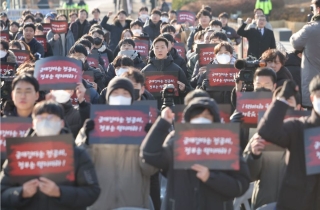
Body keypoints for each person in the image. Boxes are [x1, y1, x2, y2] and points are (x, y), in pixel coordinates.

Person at [141, 94, 251, 210]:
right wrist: (163, 123)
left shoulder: (227, 144)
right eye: (196, 116)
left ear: (215, 120)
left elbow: (241, 185)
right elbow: (149, 154)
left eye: (207, 116)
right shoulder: (177, 141)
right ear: (189, 119)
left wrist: (211, 177)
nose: (201, 119)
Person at [1, 100, 101, 210]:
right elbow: (3, 192)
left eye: (50, 118)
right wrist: (20, 193)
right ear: (33, 124)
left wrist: (60, 192)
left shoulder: (77, 154)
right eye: (40, 119)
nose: (45, 123)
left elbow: (92, 192)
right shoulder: (19, 154)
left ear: (61, 123)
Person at [75, 77, 158, 210]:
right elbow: (81, 165)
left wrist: (149, 142)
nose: (120, 97)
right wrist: (87, 143)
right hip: (100, 203)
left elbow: (150, 170)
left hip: (134, 203)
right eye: (115, 93)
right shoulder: (93, 125)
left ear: (132, 97)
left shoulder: (141, 125)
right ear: (108, 97)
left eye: (125, 93)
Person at [257, 76, 320, 210]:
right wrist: (282, 99)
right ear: (312, 99)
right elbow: (267, 130)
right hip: (298, 203)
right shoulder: (298, 127)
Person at [243, 86, 301, 209]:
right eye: (279, 103)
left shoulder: (310, 135)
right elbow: (248, 175)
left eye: (288, 103)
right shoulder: (260, 136)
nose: (284, 108)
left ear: (299, 107)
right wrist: (254, 155)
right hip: (264, 203)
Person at [141, 37, 192, 107]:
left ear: (167, 49)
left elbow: (189, 91)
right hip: (152, 109)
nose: (160, 50)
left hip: (173, 109)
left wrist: (184, 89)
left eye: (162, 47)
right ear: (153, 50)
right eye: (157, 48)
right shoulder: (146, 71)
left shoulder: (176, 69)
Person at [290, 0, 320, 109]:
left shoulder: (311, 29)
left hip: (314, 85)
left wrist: (310, 23)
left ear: (318, 9)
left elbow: (294, 42)